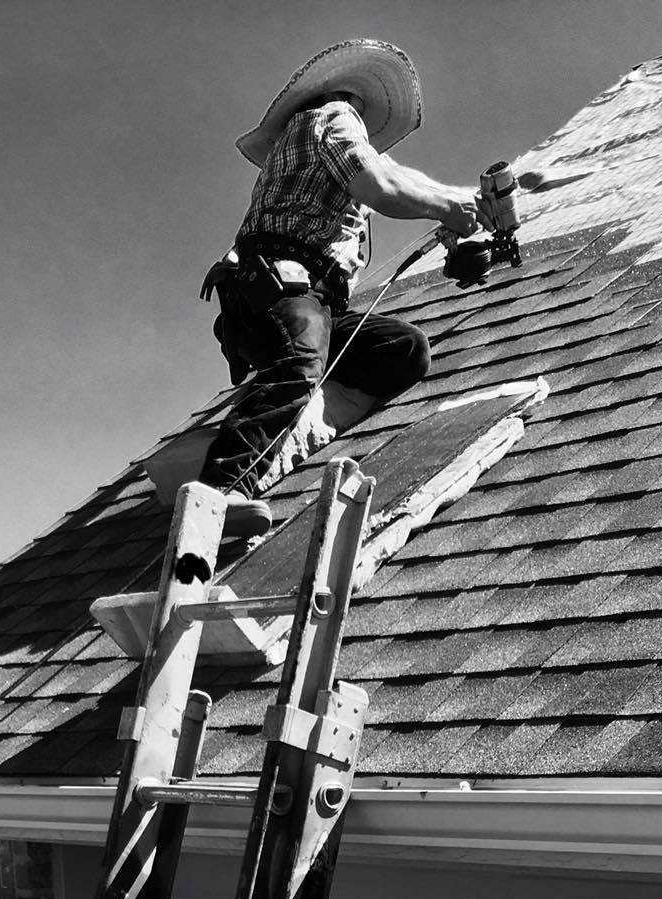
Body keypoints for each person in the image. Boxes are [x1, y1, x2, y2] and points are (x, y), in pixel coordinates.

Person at [200, 41, 484, 533]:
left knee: (403, 348)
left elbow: (400, 176)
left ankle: (296, 412)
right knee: (299, 362)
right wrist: (448, 211)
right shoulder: (333, 116)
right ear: (359, 103)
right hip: (285, 286)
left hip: (296, 299)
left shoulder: (306, 136)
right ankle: (218, 494)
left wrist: (460, 200)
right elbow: (383, 187)